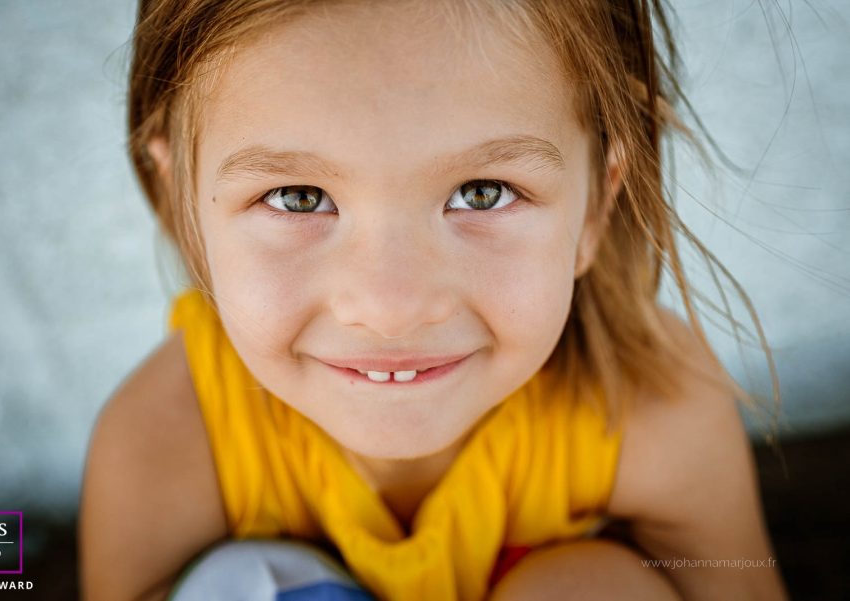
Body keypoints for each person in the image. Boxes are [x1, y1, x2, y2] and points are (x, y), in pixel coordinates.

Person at [79, 0, 790, 599]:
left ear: (598, 203)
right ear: (183, 205)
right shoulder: (166, 447)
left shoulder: (655, 409)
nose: (392, 307)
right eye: (298, 198)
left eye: (482, 192)